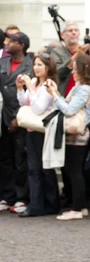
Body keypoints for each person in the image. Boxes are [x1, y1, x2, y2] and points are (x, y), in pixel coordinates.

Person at [45, 55, 90, 220]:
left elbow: (69, 110)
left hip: (77, 134)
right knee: (75, 170)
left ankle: (77, 209)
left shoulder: (84, 89)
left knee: (74, 170)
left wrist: (54, 95)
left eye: (76, 69)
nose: (73, 72)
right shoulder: (82, 86)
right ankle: (81, 206)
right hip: (76, 133)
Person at [16, 54, 60, 217]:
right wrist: (21, 89)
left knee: (45, 168)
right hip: (31, 129)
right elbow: (24, 103)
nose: (36, 68)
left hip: (43, 131)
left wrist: (30, 87)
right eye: (35, 64)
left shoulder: (49, 85)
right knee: (33, 168)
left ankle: (50, 203)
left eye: (40, 64)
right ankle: (37, 204)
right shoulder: (34, 83)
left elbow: (38, 108)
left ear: (48, 67)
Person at [0, 32, 32, 213]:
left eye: (12, 41)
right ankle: (7, 196)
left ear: (21, 45)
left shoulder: (30, 65)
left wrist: (18, 117)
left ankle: (21, 197)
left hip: (20, 118)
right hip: (2, 117)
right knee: (4, 159)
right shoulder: (2, 63)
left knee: (20, 159)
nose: (7, 43)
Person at [51, 20, 90, 96]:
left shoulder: (86, 50)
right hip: (64, 95)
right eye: (70, 31)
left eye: (76, 30)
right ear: (62, 35)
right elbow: (58, 73)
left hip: (83, 95)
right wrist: (77, 55)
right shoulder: (57, 52)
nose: (74, 33)